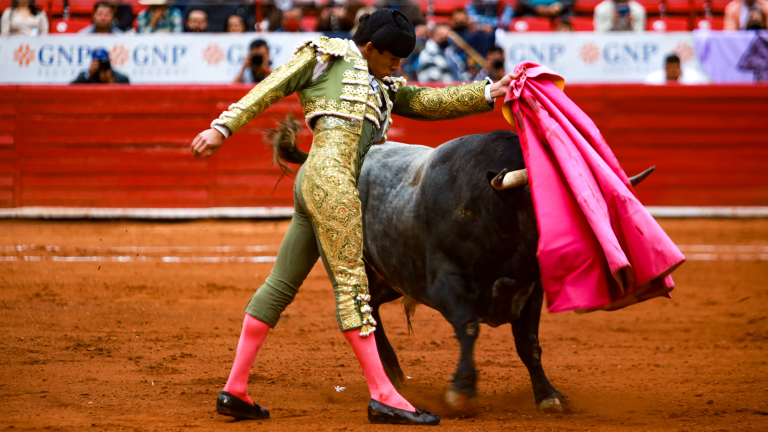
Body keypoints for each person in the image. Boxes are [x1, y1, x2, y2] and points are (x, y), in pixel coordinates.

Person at [190, 8, 520, 425]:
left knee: (280, 284)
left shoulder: (382, 81)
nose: (398, 65)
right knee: (354, 287)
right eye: (392, 57)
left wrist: (489, 93)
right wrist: (222, 127)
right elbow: (271, 86)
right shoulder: (324, 55)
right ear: (369, 48)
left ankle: (235, 389)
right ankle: (384, 394)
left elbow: (424, 99)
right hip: (335, 184)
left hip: (315, 178)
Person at [643, 54, 709, 85]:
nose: (672, 72)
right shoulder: (653, 79)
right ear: (664, 69)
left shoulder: (695, 78)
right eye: (669, 69)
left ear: (680, 69)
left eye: (674, 69)